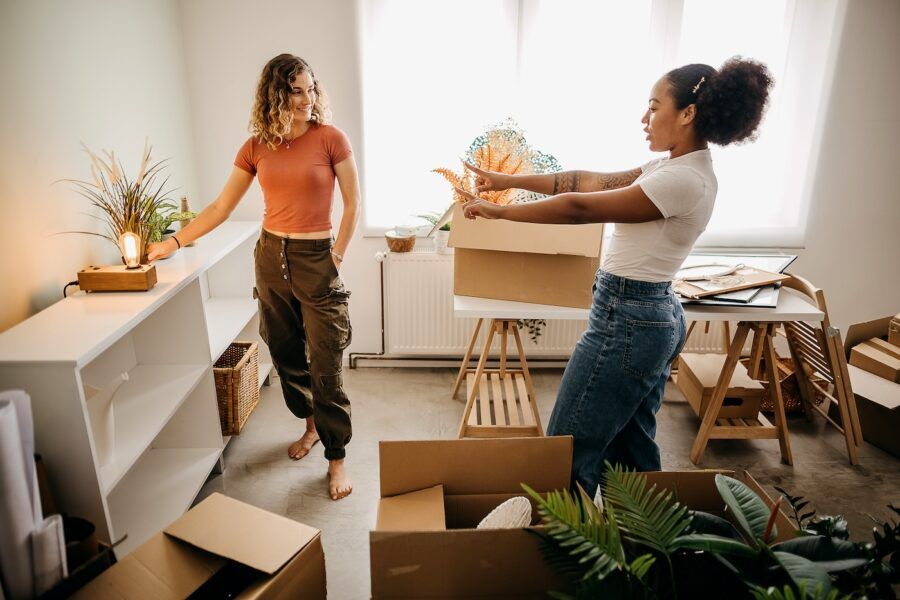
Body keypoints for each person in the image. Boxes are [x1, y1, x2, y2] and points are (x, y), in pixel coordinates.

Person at [457, 57, 773, 495]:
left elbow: (580, 209)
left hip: (630, 319)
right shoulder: (672, 169)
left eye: (653, 106)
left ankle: (565, 555)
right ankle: (650, 548)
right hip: (641, 316)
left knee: (566, 450)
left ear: (688, 113)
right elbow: (585, 182)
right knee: (630, 452)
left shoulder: (684, 180)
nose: (644, 118)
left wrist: (502, 213)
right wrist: (500, 180)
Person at [147, 54, 360, 500]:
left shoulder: (330, 139)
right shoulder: (255, 146)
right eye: (296, 91)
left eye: (311, 88)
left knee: (326, 361)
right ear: (275, 95)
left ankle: (336, 456)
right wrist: (173, 243)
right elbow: (221, 208)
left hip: (315, 256)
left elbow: (353, 204)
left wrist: (335, 255)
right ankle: (311, 427)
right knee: (284, 354)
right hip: (269, 256)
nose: (308, 99)